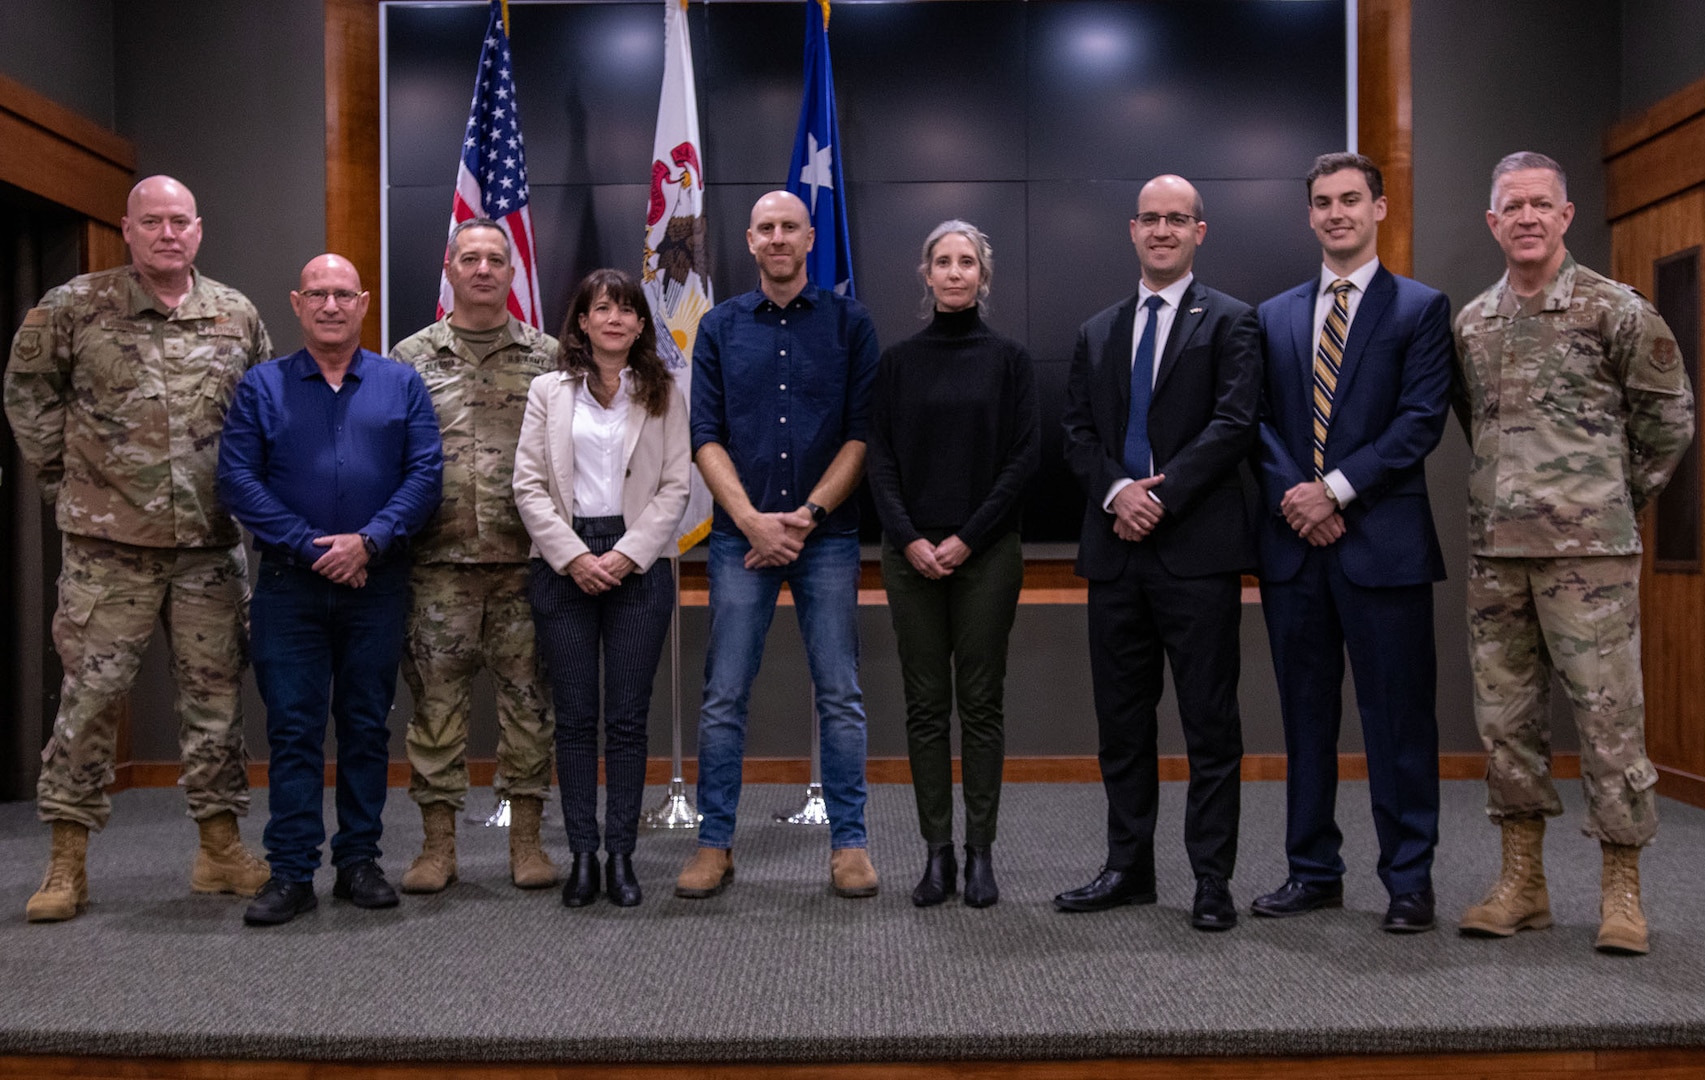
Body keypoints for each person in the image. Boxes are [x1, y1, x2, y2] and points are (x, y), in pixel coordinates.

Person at [4, 175, 273, 923]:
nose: (165, 233)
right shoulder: (73, 307)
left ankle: (219, 851)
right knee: (88, 704)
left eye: (178, 221)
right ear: (126, 229)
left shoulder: (236, 314)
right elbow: (28, 395)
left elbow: (260, 413)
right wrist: (64, 482)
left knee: (217, 707)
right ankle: (66, 864)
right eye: (151, 221)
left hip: (210, 546)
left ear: (198, 229)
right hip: (107, 547)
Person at [1453, 151, 1694, 956]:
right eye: (1509, 206)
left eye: (1539, 204)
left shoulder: (1613, 311)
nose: (1525, 217)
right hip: (1496, 555)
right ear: (1492, 222)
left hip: (1587, 560)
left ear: (1564, 216)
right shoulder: (1473, 322)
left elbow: (1669, 421)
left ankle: (1620, 890)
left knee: (1608, 721)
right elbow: (1476, 425)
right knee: (1506, 724)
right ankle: (1521, 884)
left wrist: (1609, 502)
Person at [1249, 152, 1452, 934]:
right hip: (1294, 549)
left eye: (1349, 200)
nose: (1336, 213)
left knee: (1399, 723)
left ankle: (1407, 881)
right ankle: (1312, 871)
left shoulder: (1418, 309)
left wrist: (1333, 490)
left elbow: (1419, 422)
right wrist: (1298, 498)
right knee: (1304, 720)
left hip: (1383, 547)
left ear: (1379, 208)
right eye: (1322, 202)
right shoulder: (1272, 316)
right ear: (1309, 215)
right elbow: (1257, 424)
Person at [1057, 175, 1261, 931]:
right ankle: (1127, 868)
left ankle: (1211, 880)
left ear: (1199, 232)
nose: (1163, 230)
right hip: (1115, 554)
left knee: (1210, 726)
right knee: (1121, 723)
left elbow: (1233, 425)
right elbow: (1076, 433)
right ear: (1132, 230)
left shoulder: (1231, 322)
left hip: (1195, 553)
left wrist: (1159, 495)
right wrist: (1119, 494)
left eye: (1178, 219)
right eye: (1151, 219)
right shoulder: (1096, 330)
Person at [218, 254, 443, 927]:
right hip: (290, 585)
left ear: (363, 302)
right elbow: (237, 479)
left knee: (367, 727)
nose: (330, 305)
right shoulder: (261, 387)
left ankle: (358, 862)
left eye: (343, 293)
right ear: (296, 302)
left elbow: (425, 475)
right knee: (292, 731)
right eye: (317, 293)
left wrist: (368, 541)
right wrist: (309, 545)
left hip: (376, 581)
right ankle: (290, 872)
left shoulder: (401, 385)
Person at [675, 190, 880, 900]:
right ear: (751, 239)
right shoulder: (720, 328)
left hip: (827, 538)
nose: (777, 237)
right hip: (740, 540)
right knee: (723, 696)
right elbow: (703, 436)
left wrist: (806, 516)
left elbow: (861, 434)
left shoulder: (850, 323)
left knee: (841, 695)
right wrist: (755, 521)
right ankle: (713, 845)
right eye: (765, 227)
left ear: (809, 237)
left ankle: (849, 845)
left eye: (789, 226)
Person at [866, 220, 1039, 909]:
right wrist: (909, 538)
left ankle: (980, 853)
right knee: (925, 707)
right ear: (926, 273)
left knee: (981, 703)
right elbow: (877, 458)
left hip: (985, 552)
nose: (955, 272)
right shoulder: (897, 362)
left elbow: (1023, 458)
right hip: (909, 555)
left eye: (967, 262)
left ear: (982, 276)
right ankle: (935, 853)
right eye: (943, 261)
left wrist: (966, 538)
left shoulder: (1010, 361)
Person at [390, 219, 559, 893]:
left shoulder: (548, 356)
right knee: (434, 710)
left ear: (512, 272)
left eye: (495, 258)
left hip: (527, 564)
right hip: (437, 566)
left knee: (529, 707)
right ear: (450, 269)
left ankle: (526, 843)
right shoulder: (409, 358)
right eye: (471, 258)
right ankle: (438, 846)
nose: (483, 268)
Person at [514, 268, 690, 908]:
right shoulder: (547, 392)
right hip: (563, 562)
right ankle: (582, 856)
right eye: (601, 308)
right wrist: (573, 556)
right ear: (582, 322)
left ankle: (621, 856)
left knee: (626, 719)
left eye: (626, 310)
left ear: (641, 325)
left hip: (638, 564)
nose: (613, 319)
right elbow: (528, 486)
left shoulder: (664, 390)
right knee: (576, 719)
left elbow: (675, 488)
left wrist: (623, 555)